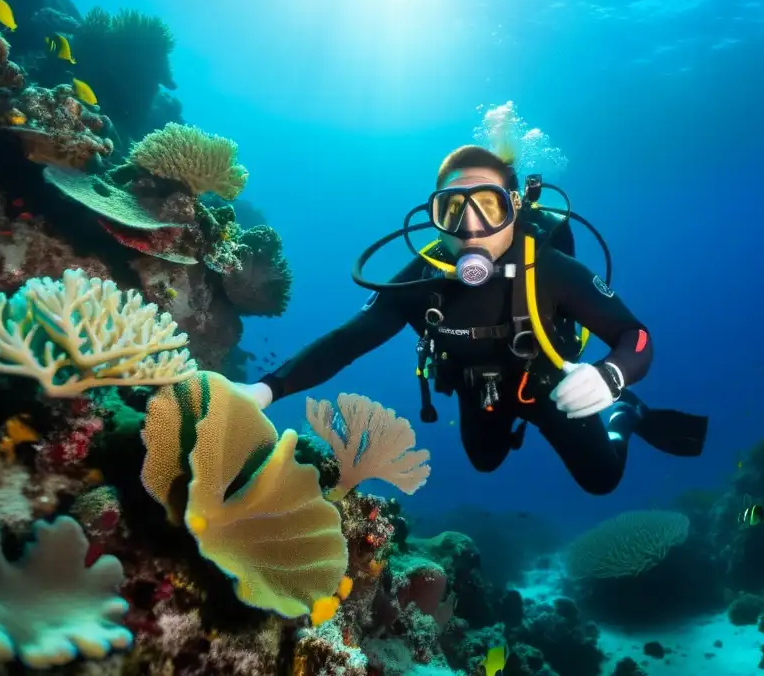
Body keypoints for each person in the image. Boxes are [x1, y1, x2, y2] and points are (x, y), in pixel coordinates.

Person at [239, 145, 708, 495]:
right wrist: (265, 390)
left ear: (515, 208)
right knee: (485, 463)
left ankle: (624, 417)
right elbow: (348, 341)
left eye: (488, 205)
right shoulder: (421, 277)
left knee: (602, 480)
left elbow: (636, 335)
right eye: (452, 208)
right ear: (434, 215)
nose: (470, 226)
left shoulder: (550, 270)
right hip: (475, 393)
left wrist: (612, 376)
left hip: (552, 389)